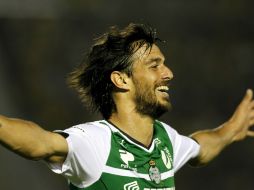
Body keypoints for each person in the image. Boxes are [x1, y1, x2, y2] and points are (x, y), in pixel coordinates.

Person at [0, 23, 254, 190]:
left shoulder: (166, 140)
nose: (168, 73)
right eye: (154, 65)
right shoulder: (96, 142)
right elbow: (40, 143)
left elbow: (200, 149)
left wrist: (232, 128)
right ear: (121, 79)